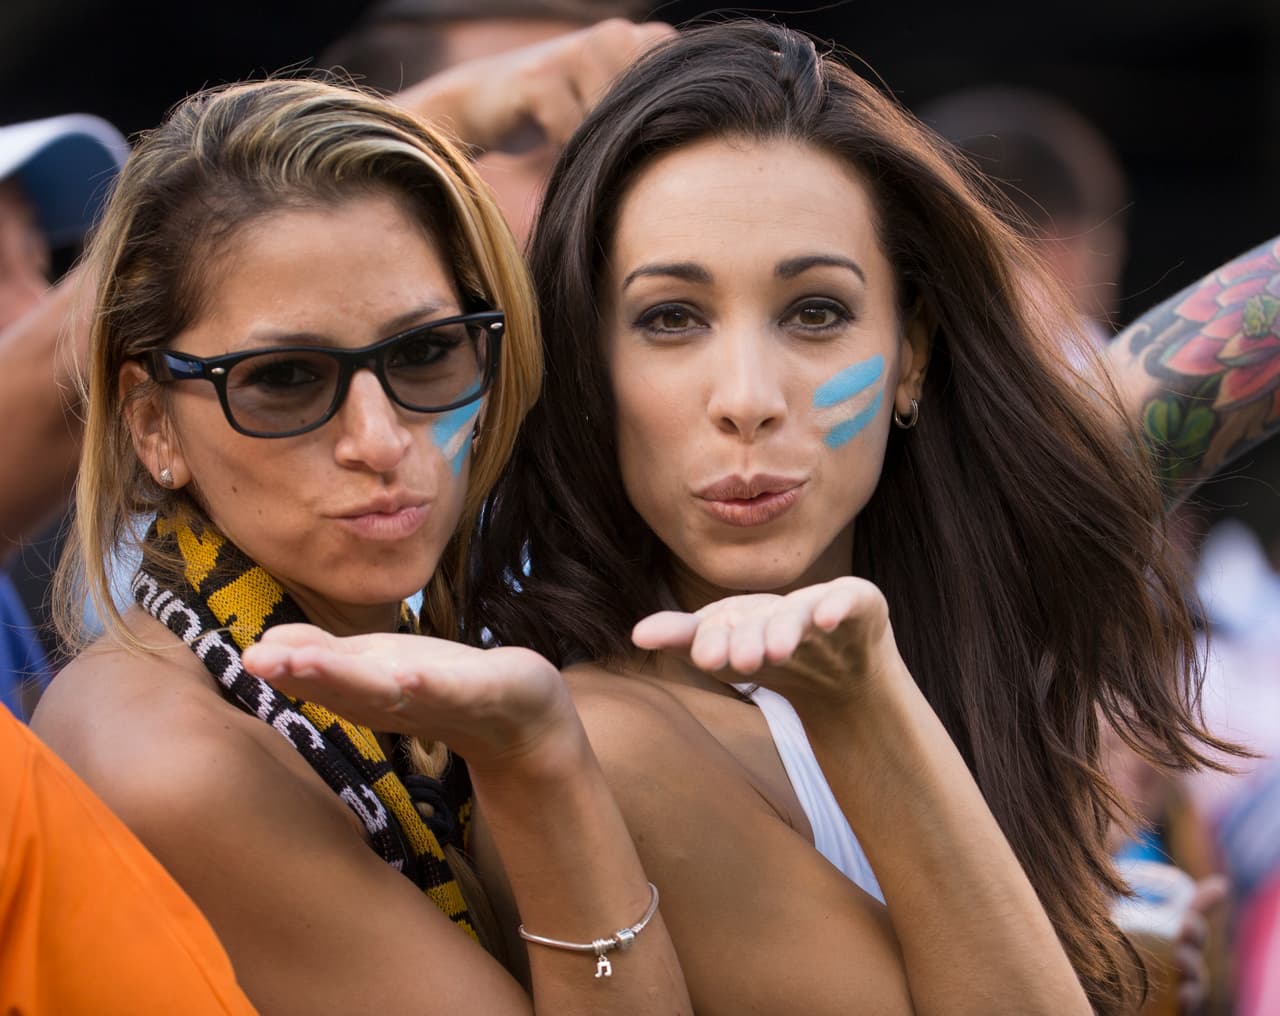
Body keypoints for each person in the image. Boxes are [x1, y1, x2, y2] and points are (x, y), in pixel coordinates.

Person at [462, 21, 1243, 1015]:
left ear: (910, 350)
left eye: (815, 312)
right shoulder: (603, 745)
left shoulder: (985, 606)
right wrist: (865, 701)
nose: (745, 395)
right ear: (589, 366)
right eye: (670, 318)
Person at [30, 78, 689, 1014]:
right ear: (152, 427)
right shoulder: (171, 757)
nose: (378, 441)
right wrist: (543, 764)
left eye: (425, 353)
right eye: (286, 379)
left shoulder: (392, 651)